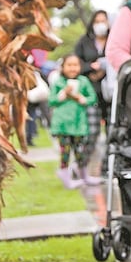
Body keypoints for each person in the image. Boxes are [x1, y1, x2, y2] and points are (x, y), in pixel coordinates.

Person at [49, 54, 99, 189]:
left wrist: (82, 98)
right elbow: (51, 100)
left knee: (80, 152)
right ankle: (66, 179)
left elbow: (92, 98)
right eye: (69, 65)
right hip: (63, 125)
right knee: (65, 153)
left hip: (79, 124)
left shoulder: (83, 81)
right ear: (63, 67)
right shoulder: (59, 82)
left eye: (75, 65)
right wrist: (63, 94)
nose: (72, 68)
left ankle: (84, 176)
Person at [74, 10, 111, 141]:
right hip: (91, 91)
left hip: (111, 91)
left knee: (112, 129)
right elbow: (75, 64)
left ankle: (109, 160)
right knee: (92, 130)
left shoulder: (115, 39)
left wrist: (105, 69)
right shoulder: (84, 42)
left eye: (103, 21)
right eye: (97, 22)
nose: (100, 24)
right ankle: (88, 159)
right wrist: (90, 68)